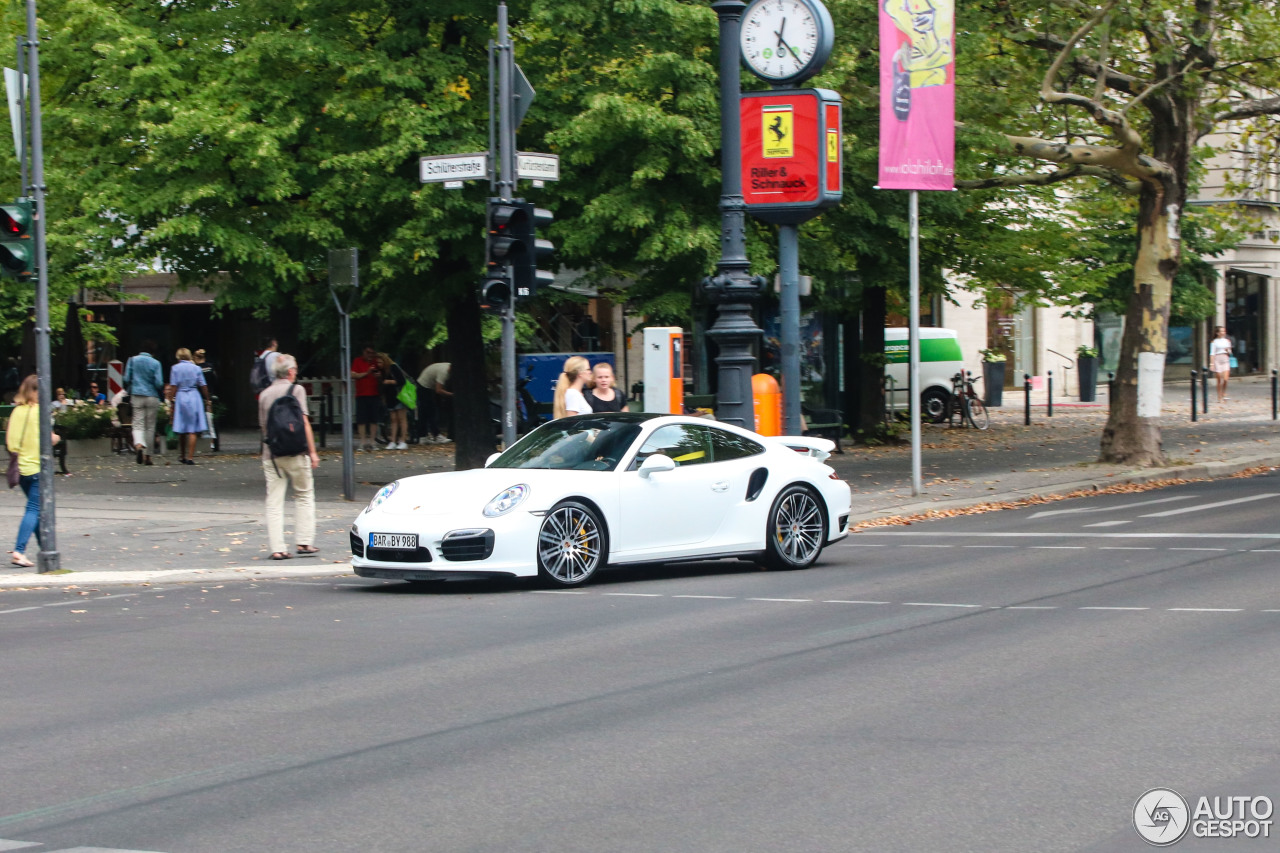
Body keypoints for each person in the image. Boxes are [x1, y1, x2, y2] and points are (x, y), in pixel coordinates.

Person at [258, 353, 319, 561]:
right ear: (291, 372)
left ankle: (278, 548)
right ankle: (304, 542)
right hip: (296, 453)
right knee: (304, 494)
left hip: (272, 455)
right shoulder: (297, 390)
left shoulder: (264, 394)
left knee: (274, 502)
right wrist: (312, 452)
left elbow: (264, 428)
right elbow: (304, 422)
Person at [7, 374, 59, 567]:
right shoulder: (40, 412)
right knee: (34, 509)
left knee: (37, 511)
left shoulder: (16, 412)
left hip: (21, 470)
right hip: (38, 468)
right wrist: (57, 438)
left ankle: (44, 548)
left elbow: (11, 442)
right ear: (35, 392)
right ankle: (19, 551)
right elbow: (49, 440)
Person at [165, 347, 211, 465]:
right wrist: (207, 398)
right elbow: (203, 385)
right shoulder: (196, 368)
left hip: (181, 396)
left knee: (182, 428)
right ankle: (190, 457)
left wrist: (170, 400)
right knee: (192, 429)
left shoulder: (175, 368)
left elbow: (174, 386)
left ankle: (182, 455)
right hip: (194, 396)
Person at [123, 340, 164, 466]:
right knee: (150, 427)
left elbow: (125, 379)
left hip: (136, 394)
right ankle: (148, 456)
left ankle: (139, 445)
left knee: (137, 424)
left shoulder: (132, 360)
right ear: (153, 351)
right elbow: (159, 383)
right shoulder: (156, 363)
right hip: (152, 396)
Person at [351, 344, 382, 451]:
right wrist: (366, 373)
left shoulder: (376, 362)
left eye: (372, 353)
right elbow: (353, 375)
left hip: (374, 394)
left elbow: (382, 374)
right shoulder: (357, 361)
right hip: (361, 395)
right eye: (368, 353)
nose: (370, 355)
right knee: (361, 420)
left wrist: (378, 376)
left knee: (374, 419)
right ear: (363, 352)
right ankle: (362, 442)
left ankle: (373, 442)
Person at [378, 353, 410, 450]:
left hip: (399, 396)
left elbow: (402, 381)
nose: (379, 364)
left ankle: (403, 440)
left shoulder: (393, 367)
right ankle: (393, 440)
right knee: (393, 419)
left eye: (380, 362)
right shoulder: (383, 371)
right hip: (390, 397)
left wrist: (390, 381)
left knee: (402, 418)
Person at [416, 361, 452, 444]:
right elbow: (438, 390)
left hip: (423, 384)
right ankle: (436, 435)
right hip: (425, 386)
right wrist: (451, 394)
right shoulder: (444, 372)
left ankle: (422, 437)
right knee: (431, 412)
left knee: (423, 413)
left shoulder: (447, 366)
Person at [1210, 326, 1233, 403]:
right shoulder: (1214, 342)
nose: (1223, 332)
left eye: (1224, 331)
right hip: (1217, 359)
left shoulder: (1227, 341)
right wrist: (1212, 364)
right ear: (1217, 333)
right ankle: (1219, 395)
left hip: (1225, 358)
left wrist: (1228, 350)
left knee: (1226, 379)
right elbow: (1212, 353)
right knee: (1219, 378)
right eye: (1221, 331)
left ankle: (1224, 392)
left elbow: (1230, 352)